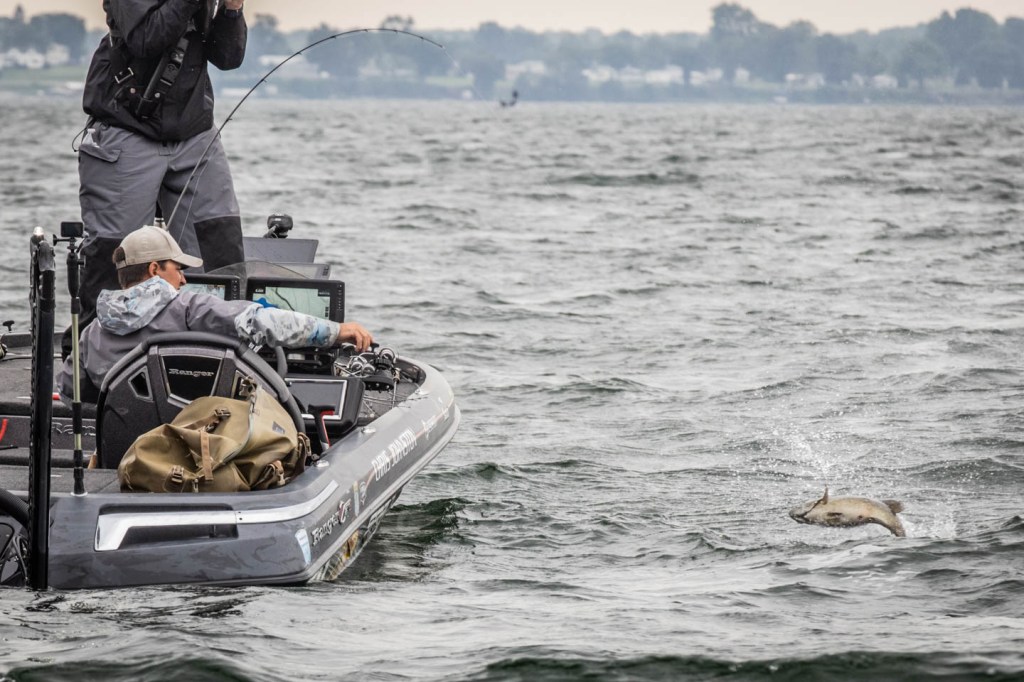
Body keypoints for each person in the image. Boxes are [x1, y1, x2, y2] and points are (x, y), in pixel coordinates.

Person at [70, 0, 249, 356]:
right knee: (115, 258)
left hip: (194, 130)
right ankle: (89, 366)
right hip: (126, 127)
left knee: (220, 251)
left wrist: (232, 9)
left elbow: (228, 57)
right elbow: (146, 39)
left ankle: (219, 357)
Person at [58, 225, 373, 403]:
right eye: (178, 269)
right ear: (155, 270)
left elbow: (72, 392)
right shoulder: (189, 308)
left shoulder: (91, 332)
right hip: (193, 449)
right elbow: (264, 322)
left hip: (125, 451)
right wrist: (337, 331)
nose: (184, 279)